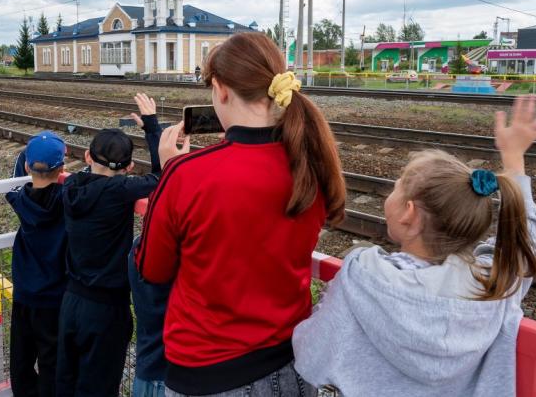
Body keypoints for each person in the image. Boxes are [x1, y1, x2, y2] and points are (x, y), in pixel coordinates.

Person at [292, 94, 536, 397]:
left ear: (409, 214)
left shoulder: (363, 276)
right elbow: (525, 242)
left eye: (396, 187)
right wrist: (514, 159)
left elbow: (311, 354)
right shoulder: (494, 285)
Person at [136, 32, 346, 396]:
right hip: (294, 364)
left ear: (220, 89)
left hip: (208, 373)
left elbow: (151, 269)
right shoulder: (309, 163)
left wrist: (170, 171)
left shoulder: (187, 174)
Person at [56, 111, 162, 396]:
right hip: (106, 309)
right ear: (128, 167)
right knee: (100, 387)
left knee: (66, 380)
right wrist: (152, 127)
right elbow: (161, 175)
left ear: (88, 156)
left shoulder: (71, 186)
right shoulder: (121, 190)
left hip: (70, 301)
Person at [5, 131, 68, 397]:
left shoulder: (20, 200)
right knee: (51, 360)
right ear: (62, 168)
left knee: (21, 358)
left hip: (24, 294)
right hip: (55, 297)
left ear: (28, 167)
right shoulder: (68, 200)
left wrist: (25, 158)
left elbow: (12, 184)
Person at [128, 94, 172, 397]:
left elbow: (163, 185)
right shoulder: (185, 267)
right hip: (176, 372)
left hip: (148, 370)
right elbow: (164, 180)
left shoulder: (136, 255)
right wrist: (153, 128)